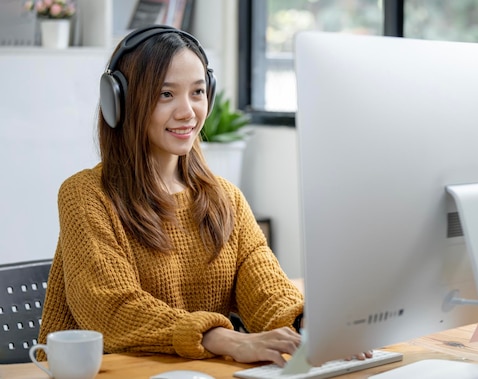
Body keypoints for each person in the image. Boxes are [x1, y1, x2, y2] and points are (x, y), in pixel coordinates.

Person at [37, 25, 304, 367]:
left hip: (191, 373)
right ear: (120, 101)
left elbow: (267, 294)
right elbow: (112, 309)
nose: (188, 112)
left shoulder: (225, 198)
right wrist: (223, 338)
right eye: (166, 94)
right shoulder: (86, 195)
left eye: (197, 92)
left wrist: (307, 327)